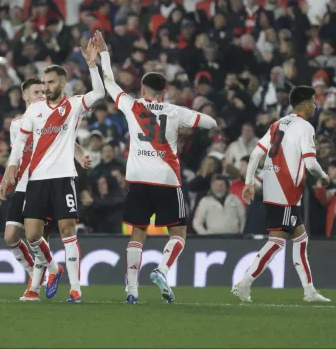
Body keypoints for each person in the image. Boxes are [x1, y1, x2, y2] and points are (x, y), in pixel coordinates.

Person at [94, 30, 217, 304]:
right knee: (179, 234)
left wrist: (104, 53)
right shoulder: (174, 111)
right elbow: (211, 123)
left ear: (143, 90)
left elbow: (110, 83)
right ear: (165, 91)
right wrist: (187, 128)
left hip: (138, 180)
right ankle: (161, 269)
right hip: (167, 179)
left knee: (137, 235)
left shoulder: (132, 105)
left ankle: (131, 291)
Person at [4, 38, 105, 303]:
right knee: (33, 235)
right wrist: (12, 166)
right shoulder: (34, 110)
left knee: (67, 230)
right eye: (43, 83)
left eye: (50, 82)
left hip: (62, 178)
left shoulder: (72, 106)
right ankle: (53, 269)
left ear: (62, 83)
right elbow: (21, 142)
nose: (45, 87)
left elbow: (99, 94)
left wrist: (93, 66)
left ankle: (75, 288)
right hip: (36, 180)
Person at [232, 85, 331, 303]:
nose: (315, 105)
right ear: (305, 104)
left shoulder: (278, 124)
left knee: (301, 238)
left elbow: (257, 153)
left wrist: (249, 182)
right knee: (277, 241)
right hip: (286, 190)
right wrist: (324, 177)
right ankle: (244, 283)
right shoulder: (304, 126)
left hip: (272, 186)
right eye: (313, 101)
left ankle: (309, 290)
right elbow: (311, 162)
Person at [0, 78, 91, 301]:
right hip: (24, 183)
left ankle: (34, 287)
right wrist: (6, 178)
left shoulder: (54, 114)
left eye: (43, 90)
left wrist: (79, 156)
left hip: (46, 179)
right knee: (11, 236)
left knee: (40, 234)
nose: (42, 94)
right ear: (25, 97)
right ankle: (43, 272)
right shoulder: (17, 124)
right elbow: (16, 153)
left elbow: (68, 142)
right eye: (36, 91)